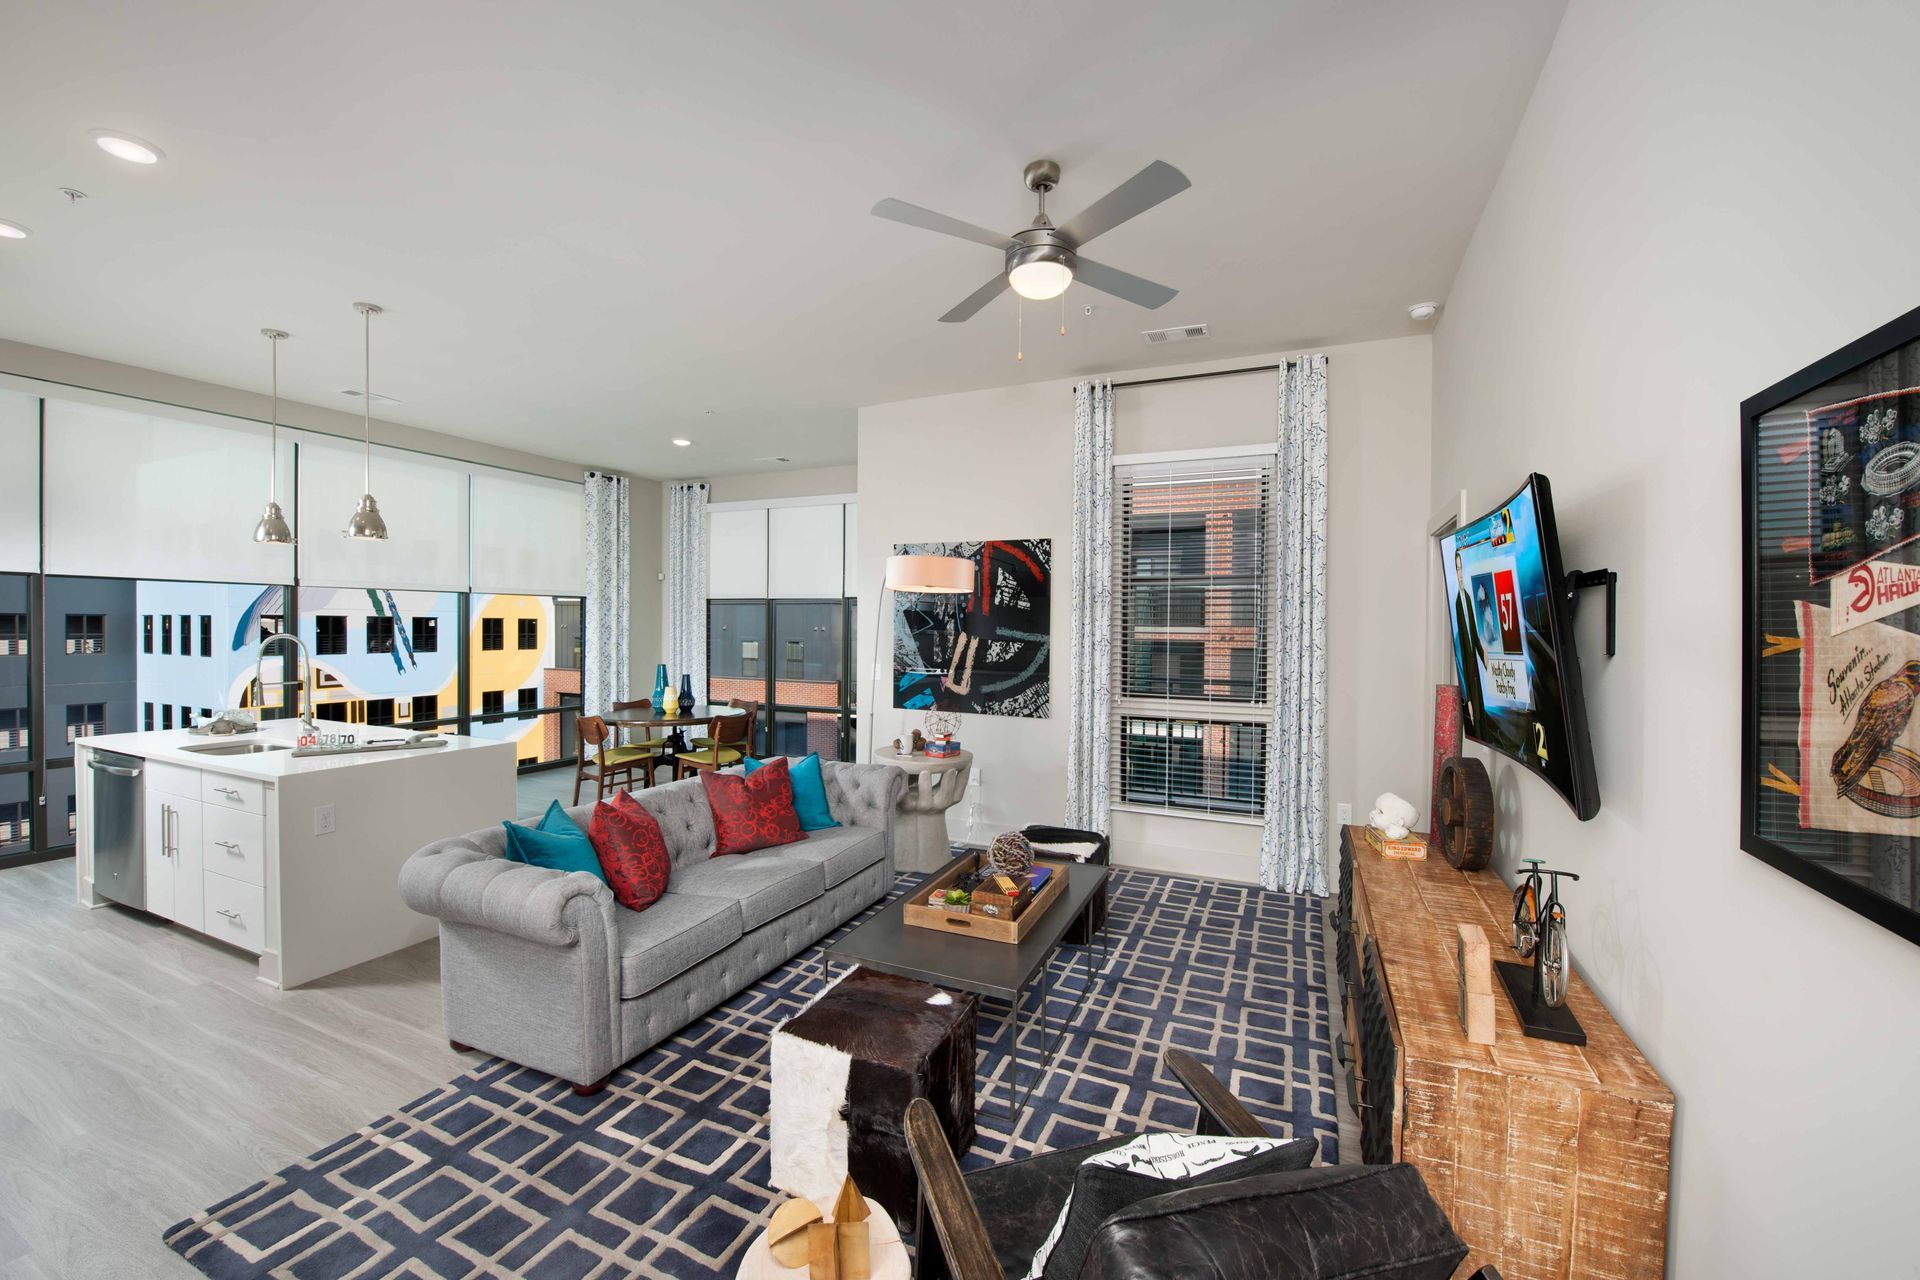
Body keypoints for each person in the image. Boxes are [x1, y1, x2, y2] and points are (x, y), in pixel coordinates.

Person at [1453, 546, 1487, 731]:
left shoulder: (1466, 597)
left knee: (1482, 720)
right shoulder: (1457, 603)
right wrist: (1468, 699)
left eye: (1461, 568)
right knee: (1476, 722)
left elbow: (1474, 635)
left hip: (1476, 671)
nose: (1460, 573)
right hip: (1468, 673)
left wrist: (1485, 657)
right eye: (1457, 569)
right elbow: (1461, 653)